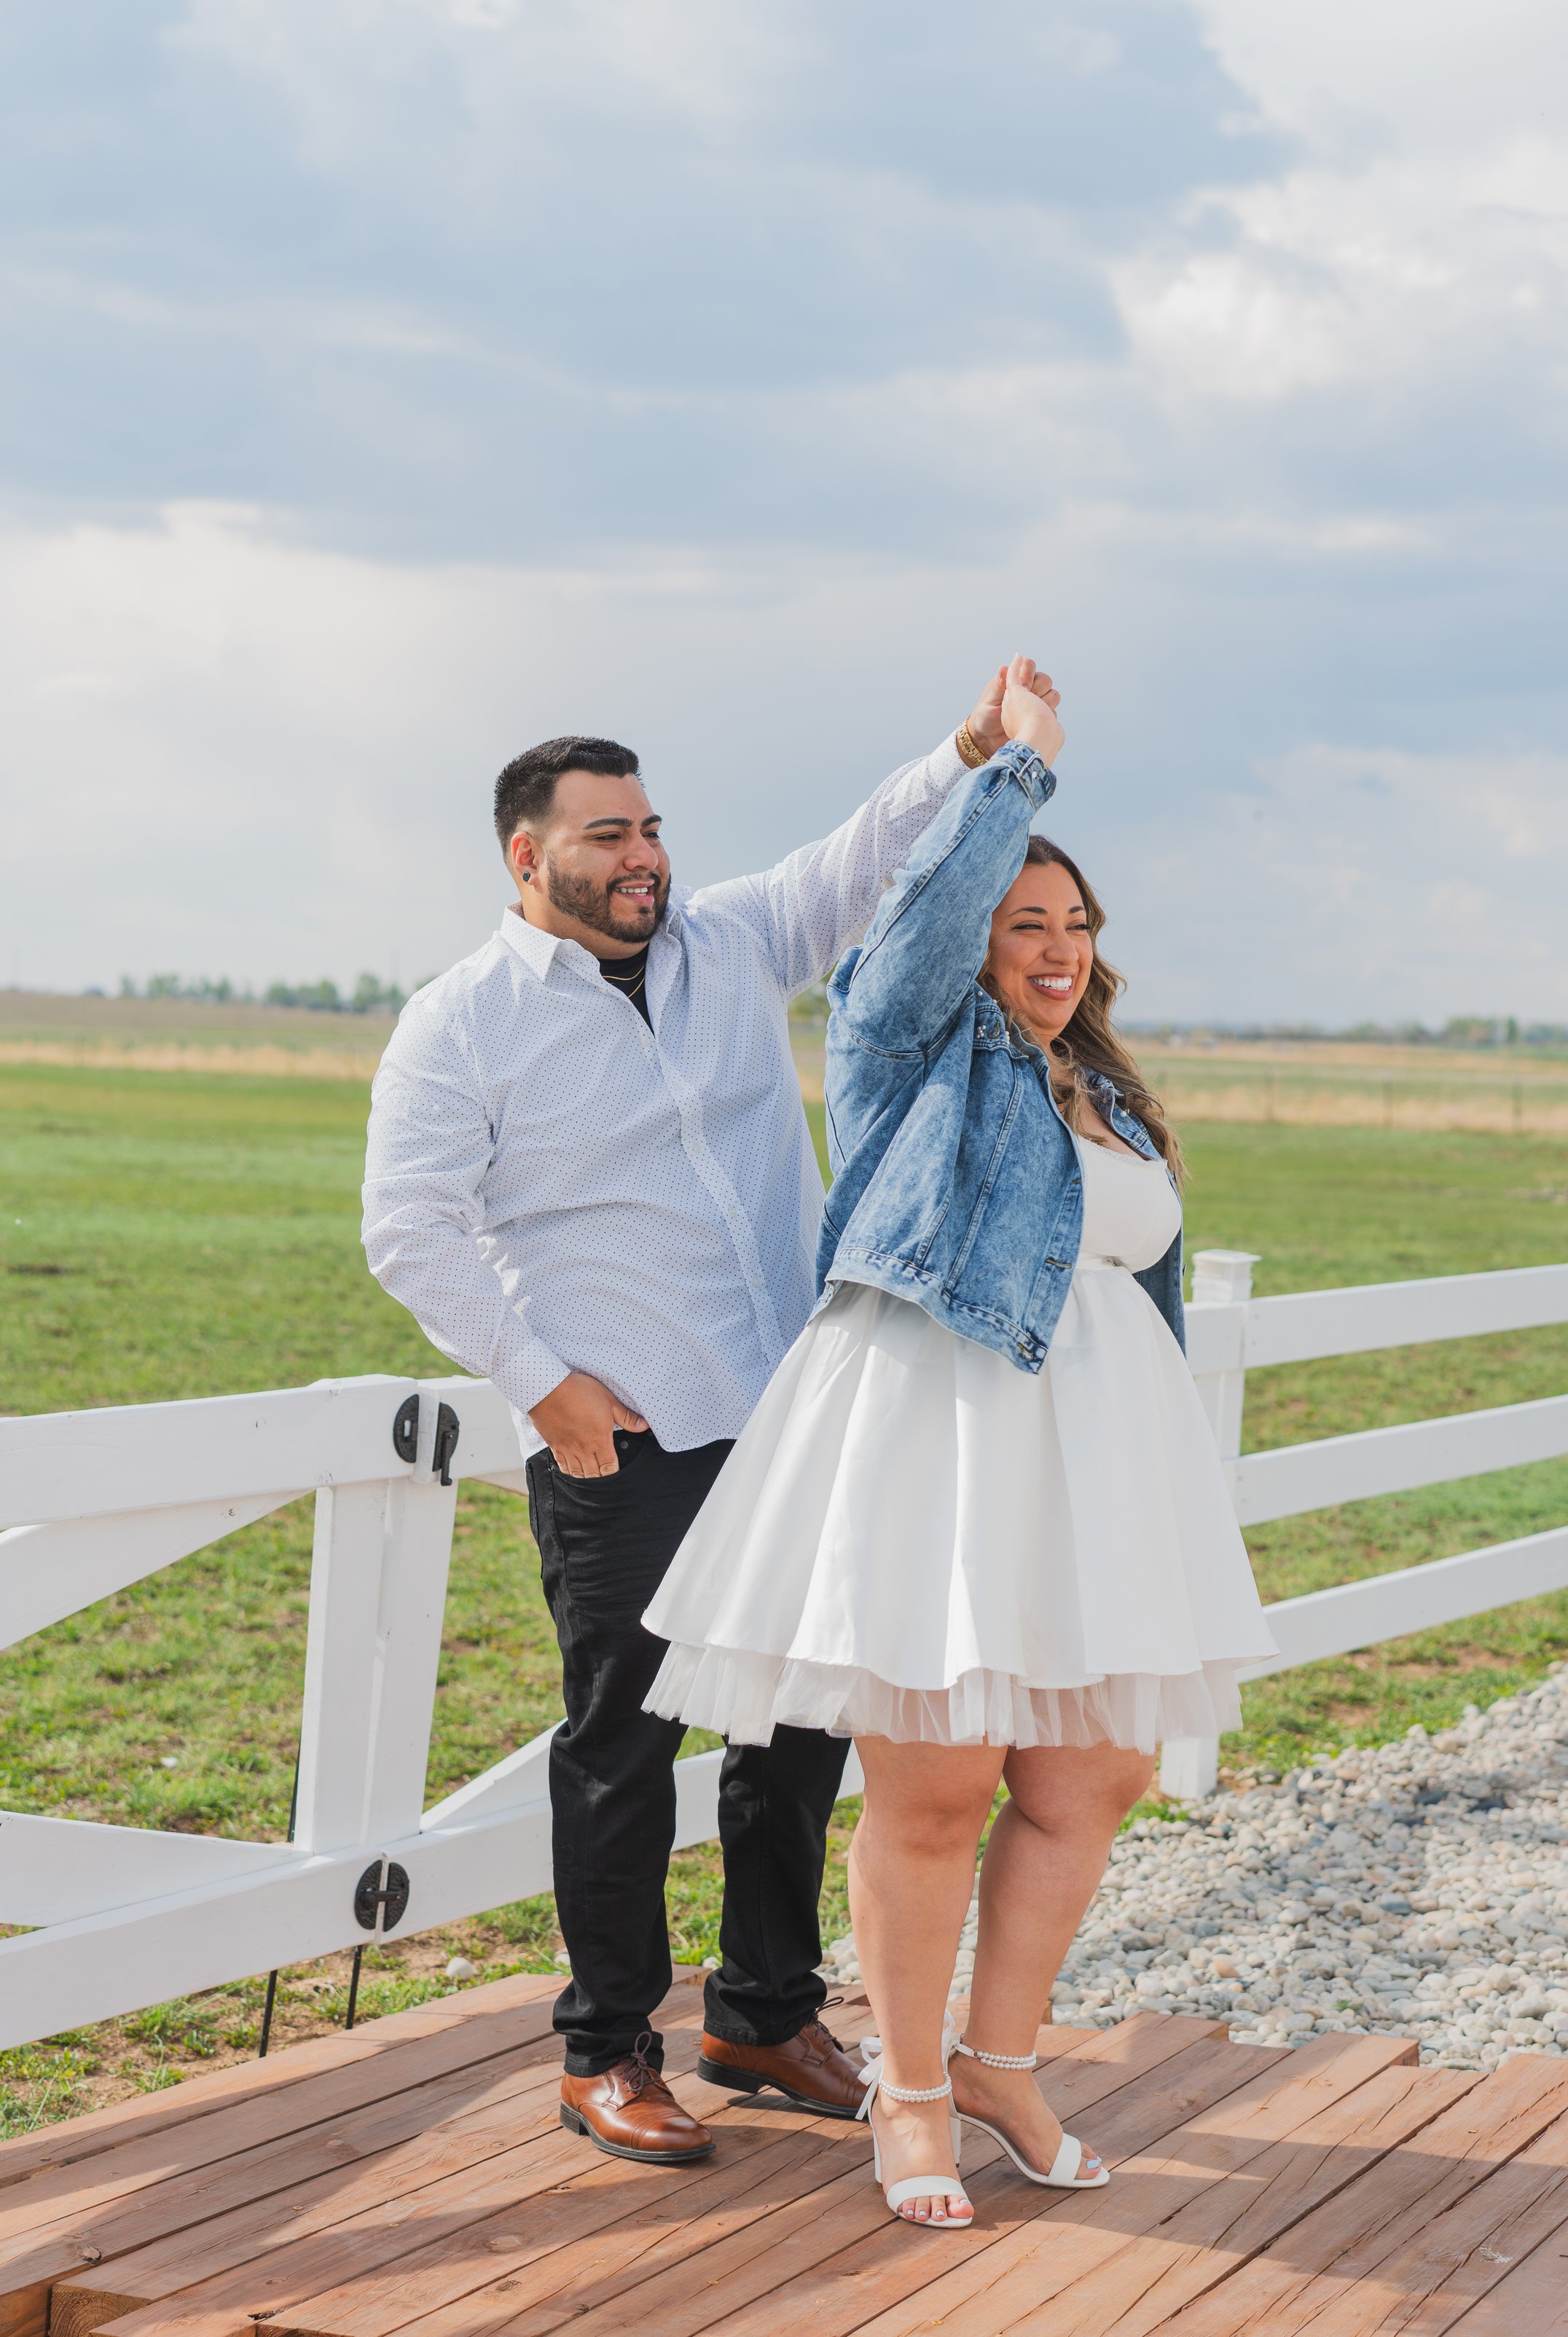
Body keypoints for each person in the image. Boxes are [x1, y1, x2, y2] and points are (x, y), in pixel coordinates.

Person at [361, 668, 1053, 2166]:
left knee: (802, 1723)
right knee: (623, 1743)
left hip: (789, 1411)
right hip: (627, 1431)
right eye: (606, 834)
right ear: (525, 855)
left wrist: (970, 747)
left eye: (652, 827)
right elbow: (407, 1226)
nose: (643, 858)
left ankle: (757, 2009)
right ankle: (605, 2048)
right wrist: (543, 1383)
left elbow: (858, 856)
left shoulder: (728, 943)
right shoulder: (460, 1023)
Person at [644, 658, 1279, 2226]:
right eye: (1025, 923)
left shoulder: (1101, 1091)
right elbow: (921, 917)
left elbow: (1141, 1277)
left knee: (1094, 1771)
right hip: (942, 1437)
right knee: (932, 1790)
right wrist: (1012, 772)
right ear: (970, 934)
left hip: (1091, 1464)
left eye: (1076, 930)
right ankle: (909, 2092)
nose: (1056, 954)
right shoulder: (906, 1040)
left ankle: (997, 2058)